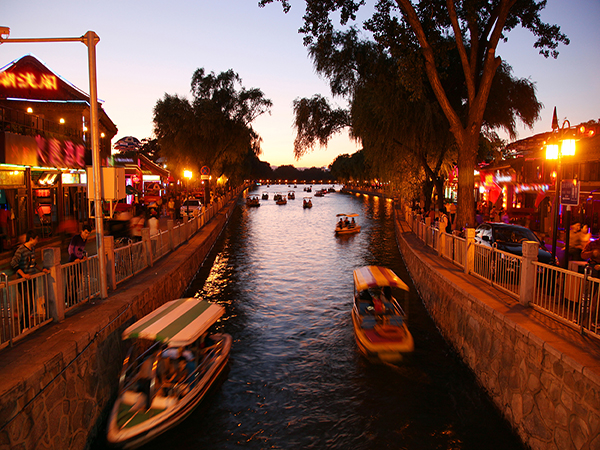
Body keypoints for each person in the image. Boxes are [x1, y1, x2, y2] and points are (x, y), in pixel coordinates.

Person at [10, 230, 49, 329]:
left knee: (31, 303)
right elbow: (13, 263)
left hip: (32, 279)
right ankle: (24, 325)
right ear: (31, 239)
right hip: (24, 281)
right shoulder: (21, 250)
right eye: (36, 239)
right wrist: (23, 274)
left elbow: (33, 262)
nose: (37, 241)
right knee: (26, 303)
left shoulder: (32, 249)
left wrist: (41, 269)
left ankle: (26, 325)